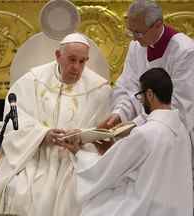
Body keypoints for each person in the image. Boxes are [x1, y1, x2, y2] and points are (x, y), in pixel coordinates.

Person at [0, 33, 112, 216]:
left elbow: (104, 134)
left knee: (74, 193)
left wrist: (80, 137)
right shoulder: (32, 81)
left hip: (75, 159)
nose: (76, 68)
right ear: (58, 56)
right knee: (22, 190)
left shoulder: (99, 90)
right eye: (72, 60)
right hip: (34, 154)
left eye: (82, 61)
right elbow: (16, 122)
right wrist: (43, 134)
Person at [66, 68, 193, 215]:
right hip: (176, 210)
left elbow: (106, 169)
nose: (141, 101)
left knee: (94, 207)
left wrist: (79, 153)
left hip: (146, 207)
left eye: (140, 95)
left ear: (150, 94)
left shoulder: (146, 133)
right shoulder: (183, 131)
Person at [100, 0, 194, 138]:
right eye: (130, 31)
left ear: (157, 25)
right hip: (142, 133)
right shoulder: (136, 46)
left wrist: (136, 124)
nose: (133, 38)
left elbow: (179, 104)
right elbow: (127, 86)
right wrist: (120, 114)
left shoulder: (185, 52)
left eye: (138, 33)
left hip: (173, 134)